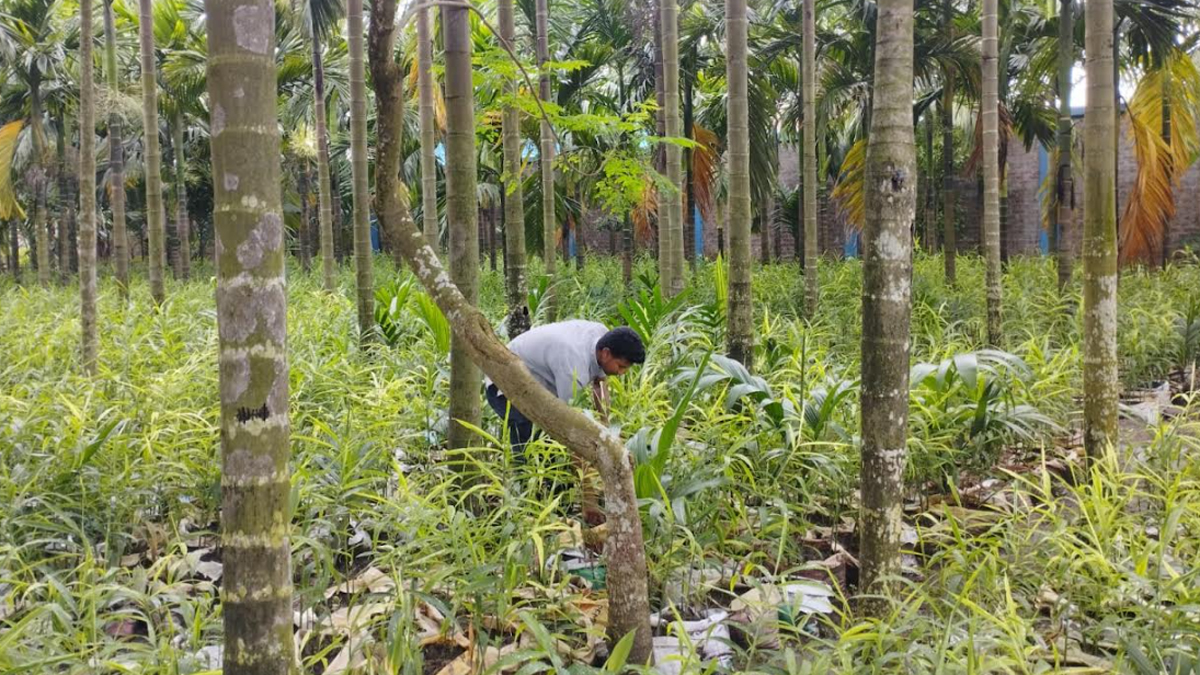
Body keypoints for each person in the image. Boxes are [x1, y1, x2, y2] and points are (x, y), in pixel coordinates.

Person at [485, 320, 646, 455]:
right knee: (530, 439)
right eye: (621, 366)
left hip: (539, 384)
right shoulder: (574, 366)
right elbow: (568, 420)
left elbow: (600, 384)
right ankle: (523, 486)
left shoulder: (602, 334)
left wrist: (606, 428)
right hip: (504, 383)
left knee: (549, 443)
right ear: (606, 354)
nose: (622, 373)